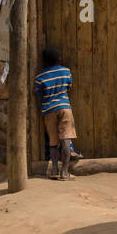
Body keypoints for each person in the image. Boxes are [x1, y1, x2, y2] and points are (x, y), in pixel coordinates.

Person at [34, 46, 78, 180]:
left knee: (53, 142)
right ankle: (64, 172)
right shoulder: (66, 72)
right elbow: (69, 87)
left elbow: (38, 97)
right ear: (59, 59)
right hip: (64, 108)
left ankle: (54, 170)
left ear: (44, 61)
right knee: (65, 139)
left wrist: (40, 110)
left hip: (48, 110)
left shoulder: (40, 77)